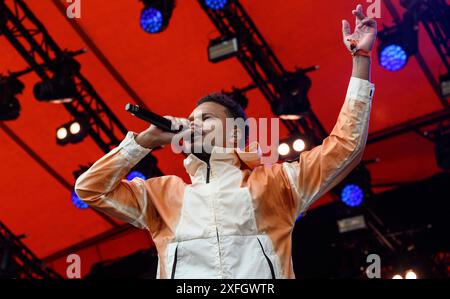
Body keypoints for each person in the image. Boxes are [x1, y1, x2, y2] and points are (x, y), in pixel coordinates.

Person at [75, 4, 376, 279]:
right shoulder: (161, 195)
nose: (193, 125)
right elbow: (90, 189)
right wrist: (144, 141)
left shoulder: (276, 183)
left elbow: (345, 147)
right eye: (191, 120)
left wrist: (360, 60)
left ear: (234, 133)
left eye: (205, 119)